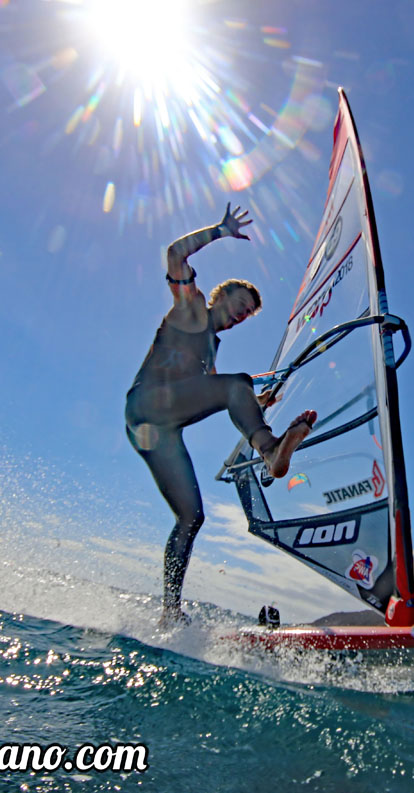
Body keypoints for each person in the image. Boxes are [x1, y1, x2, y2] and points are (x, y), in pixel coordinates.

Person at [126, 203, 316, 627]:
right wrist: (220, 230)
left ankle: (169, 614)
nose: (241, 314)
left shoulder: (213, 347)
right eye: (239, 303)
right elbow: (175, 254)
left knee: (191, 517)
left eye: (247, 313)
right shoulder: (191, 307)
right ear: (221, 295)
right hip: (148, 403)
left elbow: (214, 394)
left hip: (157, 429)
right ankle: (270, 452)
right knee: (237, 384)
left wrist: (255, 403)